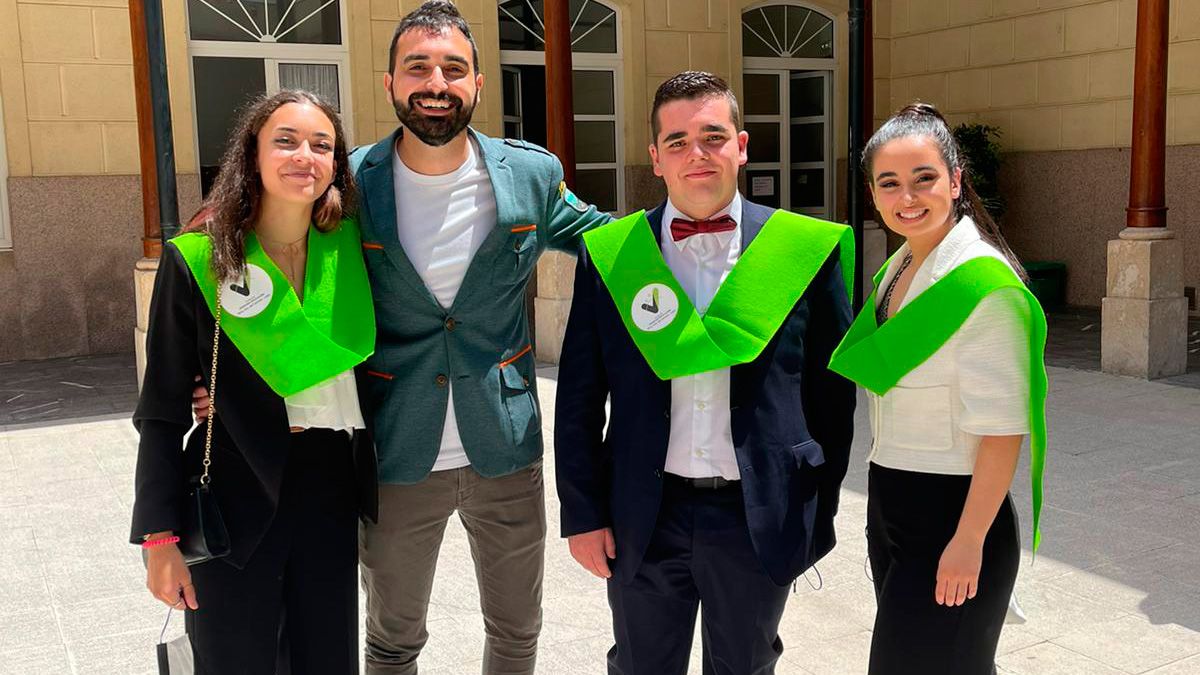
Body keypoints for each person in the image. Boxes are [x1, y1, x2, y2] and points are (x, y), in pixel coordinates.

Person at [555, 71, 857, 674]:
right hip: (644, 511)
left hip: (755, 514)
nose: (697, 154)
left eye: (713, 137)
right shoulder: (612, 254)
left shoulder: (802, 251)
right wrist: (583, 515)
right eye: (677, 141)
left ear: (742, 147)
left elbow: (833, 398)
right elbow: (580, 397)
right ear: (655, 159)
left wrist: (812, 510)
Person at [351, 2, 613, 672]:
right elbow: (278, 265)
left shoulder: (528, 172)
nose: (435, 82)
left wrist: (712, 232)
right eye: (417, 67)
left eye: (453, 68)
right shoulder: (350, 182)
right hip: (396, 452)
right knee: (391, 639)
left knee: (518, 632)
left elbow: (609, 241)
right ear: (389, 84)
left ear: (476, 84)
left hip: (505, 447)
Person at [131, 90, 378, 674]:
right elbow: (162, 409)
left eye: (322, 145)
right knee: (234, 660)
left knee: (328, 659)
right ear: (253, 154)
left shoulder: (353, 247)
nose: (304, 156)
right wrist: (159, 540)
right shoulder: (199, 259)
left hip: (332, 484)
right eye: (285, 141)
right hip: (234, 487)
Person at [829, 102, 1048, 675]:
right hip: (892, 500)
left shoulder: (983, 286)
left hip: (954, 512)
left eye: (924, 178)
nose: (908, 197)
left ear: (955, 181)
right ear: (873, 196)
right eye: (889, 183)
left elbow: (1003, 431)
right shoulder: (898, 269)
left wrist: (968, 539)